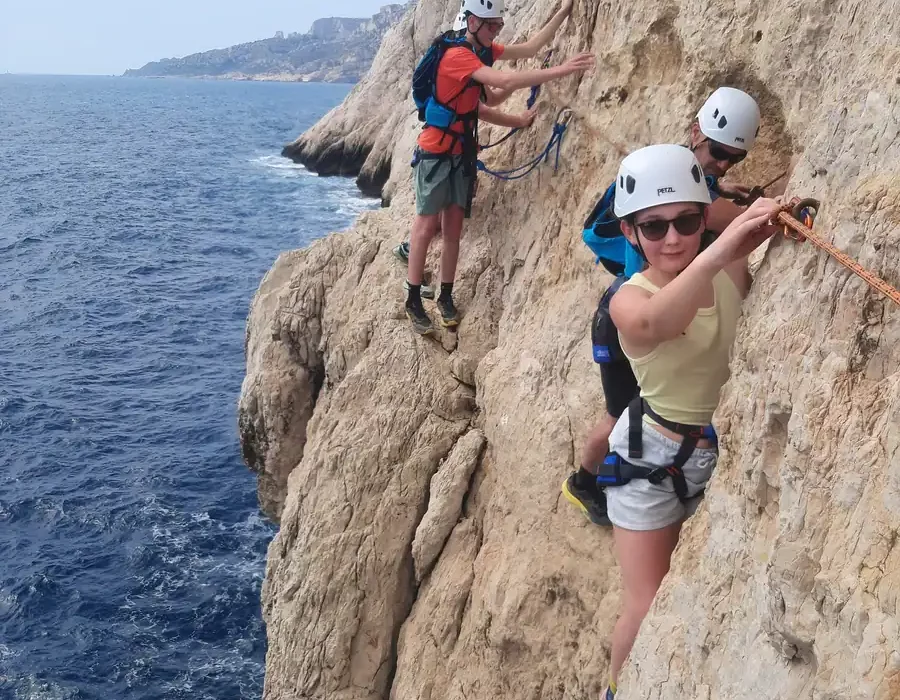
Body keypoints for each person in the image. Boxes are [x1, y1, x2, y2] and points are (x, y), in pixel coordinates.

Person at [594, 144, 780, 698]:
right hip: (648, 459)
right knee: (646, 603)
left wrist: (774, 220)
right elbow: (658, 319)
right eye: (654, 227)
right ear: (630, 234)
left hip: (716, 453)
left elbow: (750, 227)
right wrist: (719, 248)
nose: (672, 238)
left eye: (687, 221)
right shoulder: (630, 300)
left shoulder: (728, 268)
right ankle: (616, 689)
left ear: (703, 217)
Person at [563, 87, 766, 525]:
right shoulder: (674, 187)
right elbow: (720, 220)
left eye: (735, 157)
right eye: (718, 151)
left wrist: (719, 184)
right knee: (621, 414)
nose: (725, 162)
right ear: (697, 132)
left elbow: (709, 199)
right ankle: (582, 482)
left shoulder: (686, 173)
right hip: (630, 319)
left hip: (659, 311)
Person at [404, 0, 594, 334]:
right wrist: (562, 70)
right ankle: (413, 299)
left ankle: (445, 295)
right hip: (436, 152)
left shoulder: (483, 50)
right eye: (492, 25)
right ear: (473, 22)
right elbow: (505, 80)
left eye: (499, 26)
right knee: (425, 225)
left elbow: (530, 50)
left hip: (460, 152)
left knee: (453, 230)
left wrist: (564, 11)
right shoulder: (459, 56)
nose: (496, 31)